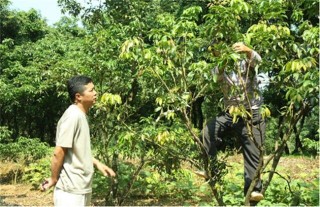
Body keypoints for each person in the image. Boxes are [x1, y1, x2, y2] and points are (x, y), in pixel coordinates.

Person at [198, 42, 265, 202]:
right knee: (207, 131)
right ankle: (210, 169)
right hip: (231, 113)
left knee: (253, 152)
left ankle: (254, 191)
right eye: (215, 53)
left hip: (251, 112)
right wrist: (222, 62)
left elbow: (257, 62)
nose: (217, 54)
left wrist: (248, 50)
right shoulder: (218, 68)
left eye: (220, 51)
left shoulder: (244, 63)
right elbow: (215, 77)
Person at [40, 75, 116, 206]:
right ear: (78, 96)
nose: (95, 93)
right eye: (91, 90)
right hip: (71, 192)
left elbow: (78, 151)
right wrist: (53, 178)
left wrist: (97, 163)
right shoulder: (73, 116)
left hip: (81, 189)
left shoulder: (80, 116)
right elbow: (59, 151)